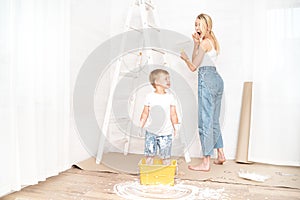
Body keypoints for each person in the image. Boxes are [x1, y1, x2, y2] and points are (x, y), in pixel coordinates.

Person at [180, 13, 226, 171]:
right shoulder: (211, 41)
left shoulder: (205, 43)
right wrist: (195, 44)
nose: (196, 27)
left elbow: (193, 66)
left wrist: (185, 58)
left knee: (205, 122)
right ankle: (220, 154)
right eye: (195, 24)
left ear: (207, 26)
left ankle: (206, 162)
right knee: (213, 120)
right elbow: (197, 61)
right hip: (217, 80)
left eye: (199, 24)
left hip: (206, 80)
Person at [140, 69, 179, 165]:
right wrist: (140, 126)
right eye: (166, 79)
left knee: (165, 156)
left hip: (165, 133)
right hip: (151, 132)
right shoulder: (149, 96)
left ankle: (166, 172)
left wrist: (176, 128)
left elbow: (173, 114)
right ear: (157, 82)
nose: (169, 81)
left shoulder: (170, 97)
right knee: (149, 155)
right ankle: (149, 172)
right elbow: (145, 113)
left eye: (169, 79)